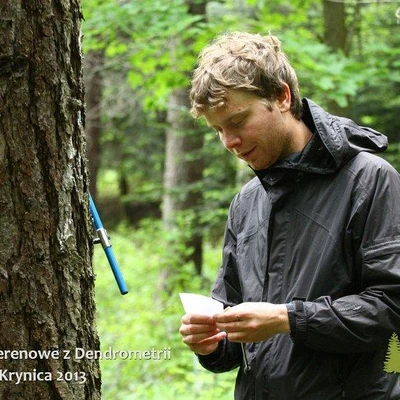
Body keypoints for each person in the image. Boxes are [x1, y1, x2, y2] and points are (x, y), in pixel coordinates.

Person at [178, 31, 400, 399]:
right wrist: (213, 342)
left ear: (281, 97)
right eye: (218, 130)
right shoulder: (247, 202)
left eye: (237, 121)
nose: (229, 142)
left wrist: (288, 319)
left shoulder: (371, 181)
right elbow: (234, 327)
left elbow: (391, 307)